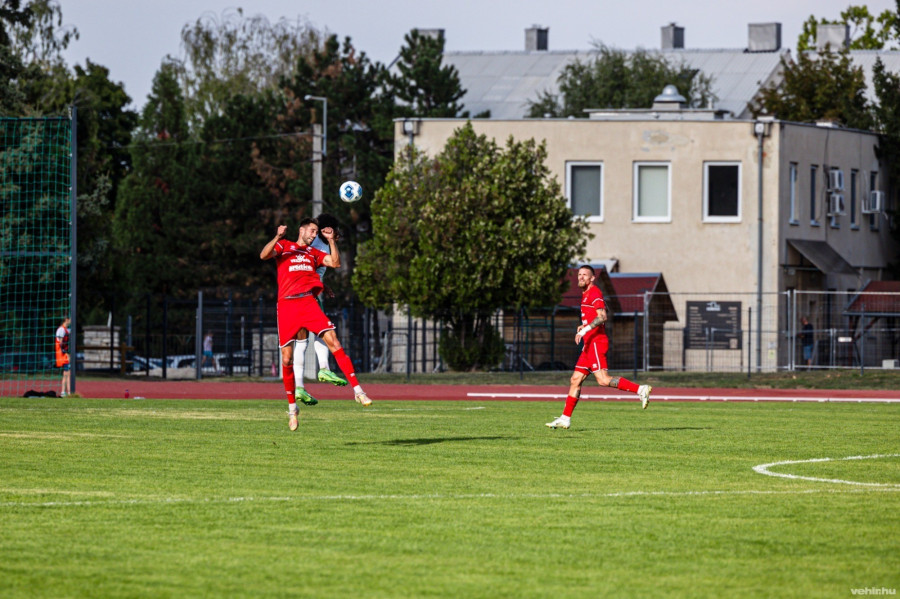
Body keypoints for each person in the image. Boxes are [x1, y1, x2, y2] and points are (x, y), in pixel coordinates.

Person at [260, 218, 372, 432]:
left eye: (315, 232)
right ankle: (292, 410)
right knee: (286, 358)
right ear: (301, 229)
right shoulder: (285, 247)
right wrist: (277, 237)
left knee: (334, 341)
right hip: (287, 307)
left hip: (308, 303)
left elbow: (335, 263)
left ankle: (358, 391)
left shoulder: (313, 253)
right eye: (311, 231)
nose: (313, 235)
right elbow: (264, 255)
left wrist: (331, 241)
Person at [546, 265, 651, 429]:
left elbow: (602, 317)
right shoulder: (586, 294)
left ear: (592, 278)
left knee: (603, 380)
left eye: (585, 275)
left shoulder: (594, 292)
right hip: (588, 344)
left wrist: (586, 329)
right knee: (575, 379)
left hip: (596, 342)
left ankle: (640, 389)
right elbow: (597, 313)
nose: (581, 277)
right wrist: (584, 325)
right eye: (579, 274)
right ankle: (565, 418)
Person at [292, 213, 349, 405]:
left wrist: (323, 285)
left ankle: (299, 386)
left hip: (293, 294)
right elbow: (335, 262)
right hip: (308, 295)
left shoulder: (313, 241)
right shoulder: (320, 242)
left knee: (300, 342)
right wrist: (331, 240)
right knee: (324, 332)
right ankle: (324, 368)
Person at [55, 316, 71, 397]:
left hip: (65, 354)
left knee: (68, 373)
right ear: (66, 320)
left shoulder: (66, 330)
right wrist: (66, 353)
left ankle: (69, 392)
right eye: (70, 319)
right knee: (66, 373)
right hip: (63, 355)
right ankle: (63, 392)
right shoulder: (61, 330)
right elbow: (60, 343)